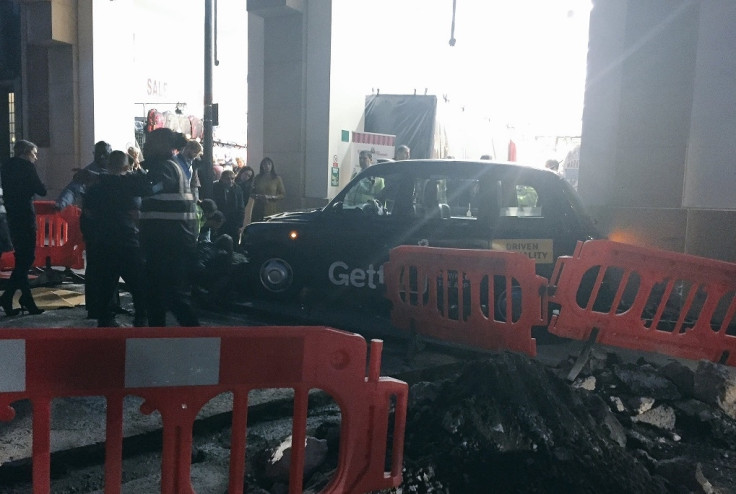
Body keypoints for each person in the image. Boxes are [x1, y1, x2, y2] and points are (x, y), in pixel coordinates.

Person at [139, 128, 200, 327]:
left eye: (149, 142)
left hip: (168, 246)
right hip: (171, 243)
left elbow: (147, 187)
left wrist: (106, 179)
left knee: (171, 296)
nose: (145, 146)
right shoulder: (172, 166)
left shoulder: (164, 168)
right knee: (158, 296)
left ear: (161, 146)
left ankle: (198, 339)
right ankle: (160, 338)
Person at [81, 150, 147, 327]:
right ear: (126, 166)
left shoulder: (95, 188)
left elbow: (88, 213)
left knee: (107, 282)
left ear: (108, 165)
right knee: (136, 281)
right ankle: (141, 316)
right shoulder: (130, 188)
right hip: (127, 239)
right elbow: (136, 214)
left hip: (103, 240)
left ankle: (106, 318)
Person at [0, 140, 47, 315]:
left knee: (22, 259)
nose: (35, 157)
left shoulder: (6, 166)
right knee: (26, 259)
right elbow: (41, 190)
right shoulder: (27, 167)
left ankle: (21, 298)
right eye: (34, 153)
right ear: (26, 153)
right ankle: (16, 297)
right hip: (25, 216)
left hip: (12, 216)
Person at [55, 141, 111, 211]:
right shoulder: (86, 173)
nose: (101, 156)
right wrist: (61, 203)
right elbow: (73, 189)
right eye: (98, 153)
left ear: (110, 154)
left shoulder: (118, 169)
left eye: (104, 153)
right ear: (94, 154)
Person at [212, 169, 245, 243]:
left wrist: (240, 224)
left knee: (233, 242)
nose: (230, 181)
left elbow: (241, 207)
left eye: (232, 179)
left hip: (233, 220)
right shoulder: (215, 187)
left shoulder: (237, 189)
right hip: (219, 220)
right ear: (222, 179)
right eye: (227, 179)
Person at [251, 157, 286, 222]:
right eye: (264, 164)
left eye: (269, 164)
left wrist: (271, 197)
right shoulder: (257, 178)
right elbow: (251, 192)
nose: (267, 166)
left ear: (272, 166)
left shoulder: (277, 178)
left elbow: (282, 194)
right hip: (258, 207)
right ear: (262, 166)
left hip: (271, 207)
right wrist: (257, 196)